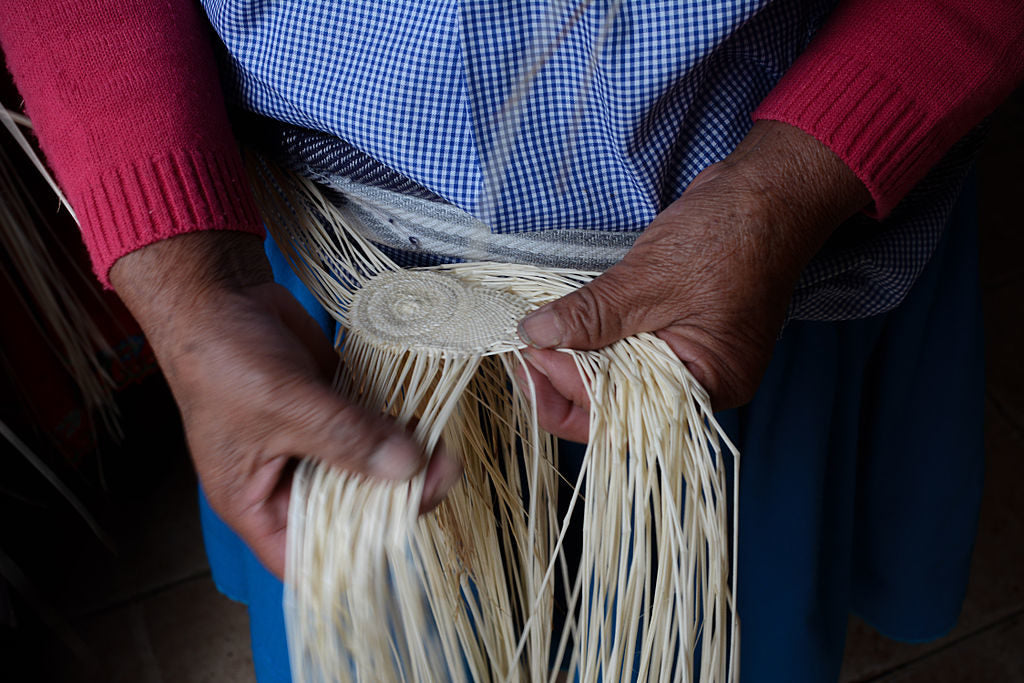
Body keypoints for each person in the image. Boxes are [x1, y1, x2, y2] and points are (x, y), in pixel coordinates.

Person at [2, 0, 1022, 680]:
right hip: (329, 284)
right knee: (395, 632)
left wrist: (788, 187)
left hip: (757, 257)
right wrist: (187, 290)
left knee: (712, 636)